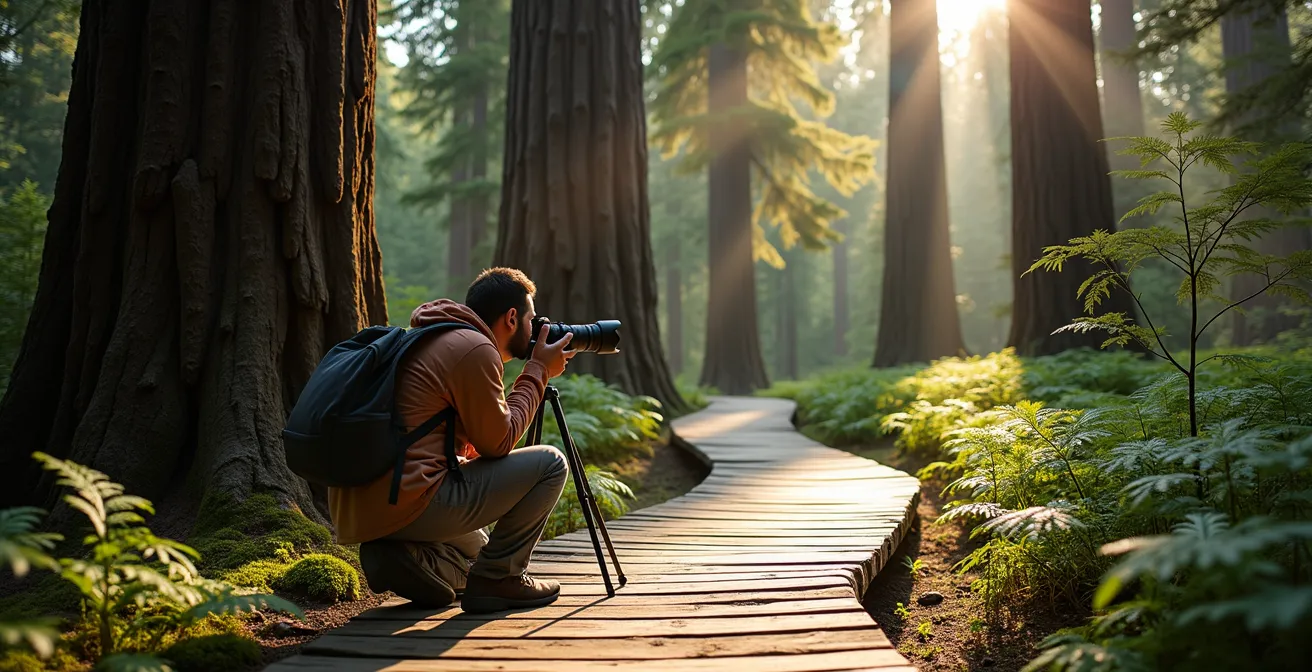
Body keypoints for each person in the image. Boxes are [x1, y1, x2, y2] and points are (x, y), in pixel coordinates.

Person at [327, 267, 576, 614]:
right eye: (533, 321)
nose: (537, 331)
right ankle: (499, 580)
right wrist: (538, 370)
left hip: (365, 505)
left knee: (480, 549)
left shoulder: (432, 336)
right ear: (512, 317)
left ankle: (405, 556)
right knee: (551, 464)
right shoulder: (474, 349)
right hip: (410, 497)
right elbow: (499, 443)